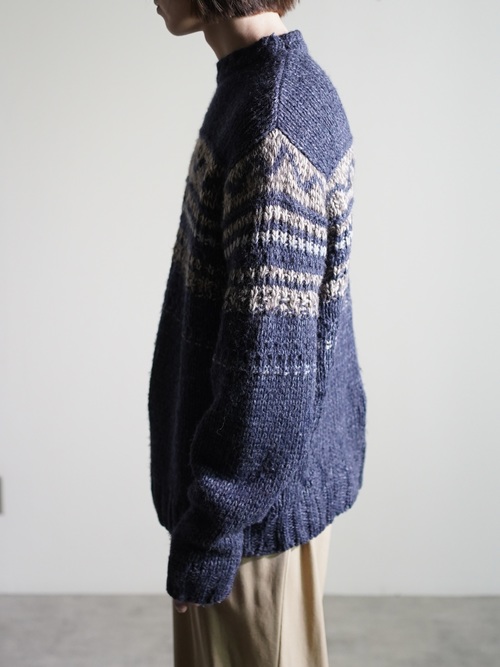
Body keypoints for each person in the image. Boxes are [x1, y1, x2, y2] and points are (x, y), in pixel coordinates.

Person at [148, 1, 368, 665]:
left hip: (252, 521)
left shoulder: (271, 119)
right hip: (258, 504)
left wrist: (211, 534)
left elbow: (267, 382)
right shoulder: (258, 88)